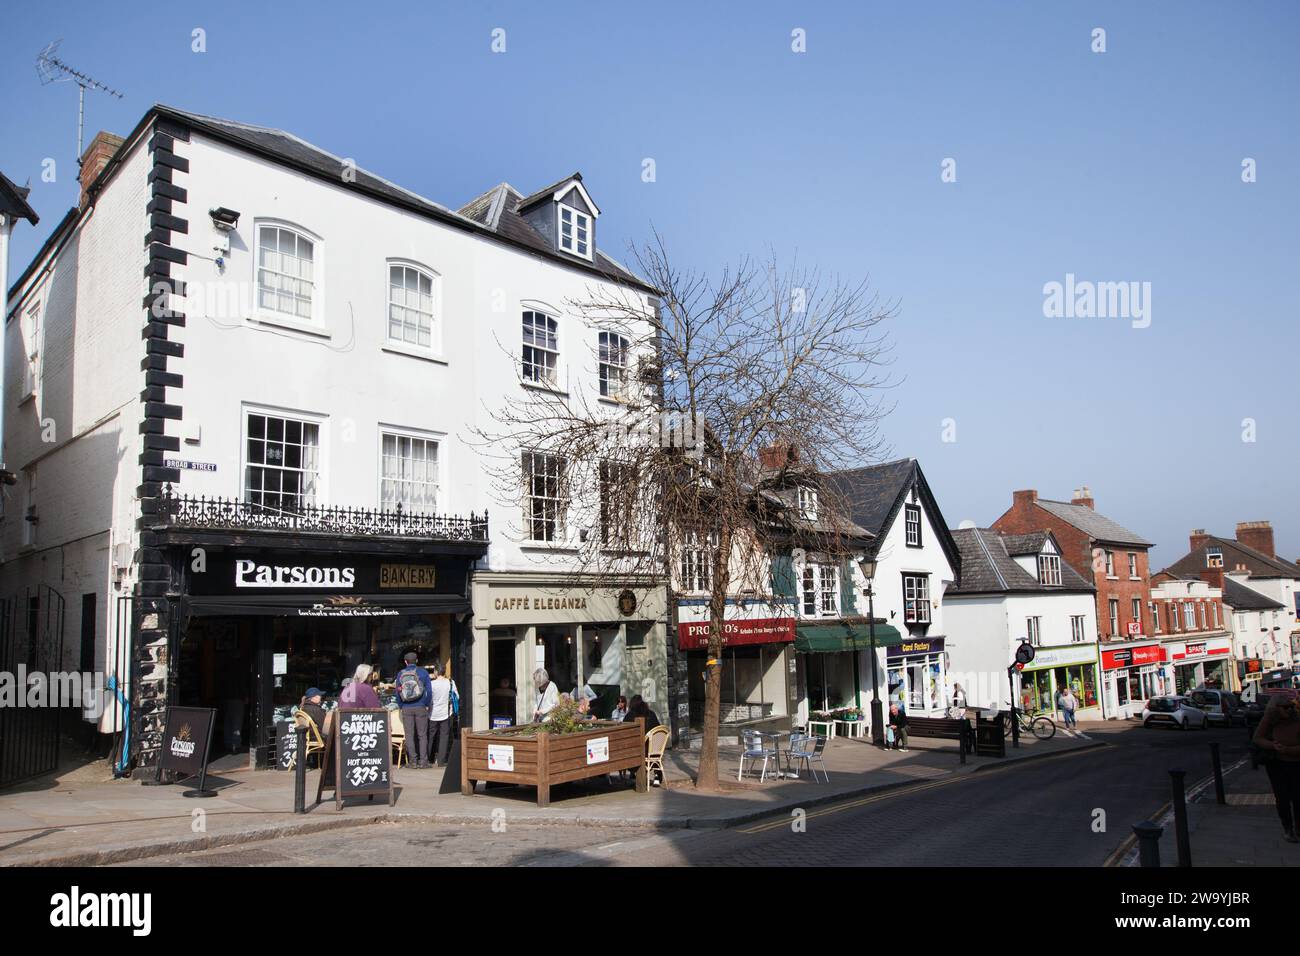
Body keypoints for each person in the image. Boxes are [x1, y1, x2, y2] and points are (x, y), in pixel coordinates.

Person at [1253, 694, 1300, 843]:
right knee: (1282, 797)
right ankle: (1288, 828)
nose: (1290, 710)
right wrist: (1273, 746)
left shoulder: (1297, 719)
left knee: (1298, 797)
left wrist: (1288, 750)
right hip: (1276, 764)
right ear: (1275, 708)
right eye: (1286, 707)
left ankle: (1298, 828)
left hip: (1296, 763)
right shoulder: (1269, 720)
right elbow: (1258, 738)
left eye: (1291, 707)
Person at [395, 653, 433, 769]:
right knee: (422, 735)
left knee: (409, 735)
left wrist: (401, 705)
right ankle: (423, 762)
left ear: (405, 662)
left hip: (406, 707)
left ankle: (413, 762)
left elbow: (397, 692)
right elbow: (429, 691)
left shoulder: (400, 674)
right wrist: (426, 704)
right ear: (416, 660)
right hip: (421, 707)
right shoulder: (423, 673)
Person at [428, 663, 453, 767]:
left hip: (433, 713)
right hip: (446, 713)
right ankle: (441, 761)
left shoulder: (432, 684)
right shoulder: (450, 683)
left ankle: (429, 759)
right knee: (444, 737)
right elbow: (456, 696)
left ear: (436, 672)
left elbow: (428, 699)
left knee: (431, 736)